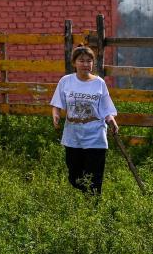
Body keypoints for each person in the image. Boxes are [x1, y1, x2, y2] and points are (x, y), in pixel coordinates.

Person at [51, 45, 119, 194]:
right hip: (73, 137)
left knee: (94, 178)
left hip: (95, 137)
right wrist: (56, 114)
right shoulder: (66, 81)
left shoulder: (99, 83)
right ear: (74, 63)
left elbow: (106, 108)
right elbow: (57, 103)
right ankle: (86, 196)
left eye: (89, 61)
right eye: (81, 61)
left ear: (93, 63)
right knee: (74, 177)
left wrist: (111, 120)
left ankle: (92, 202)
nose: (86, 64)